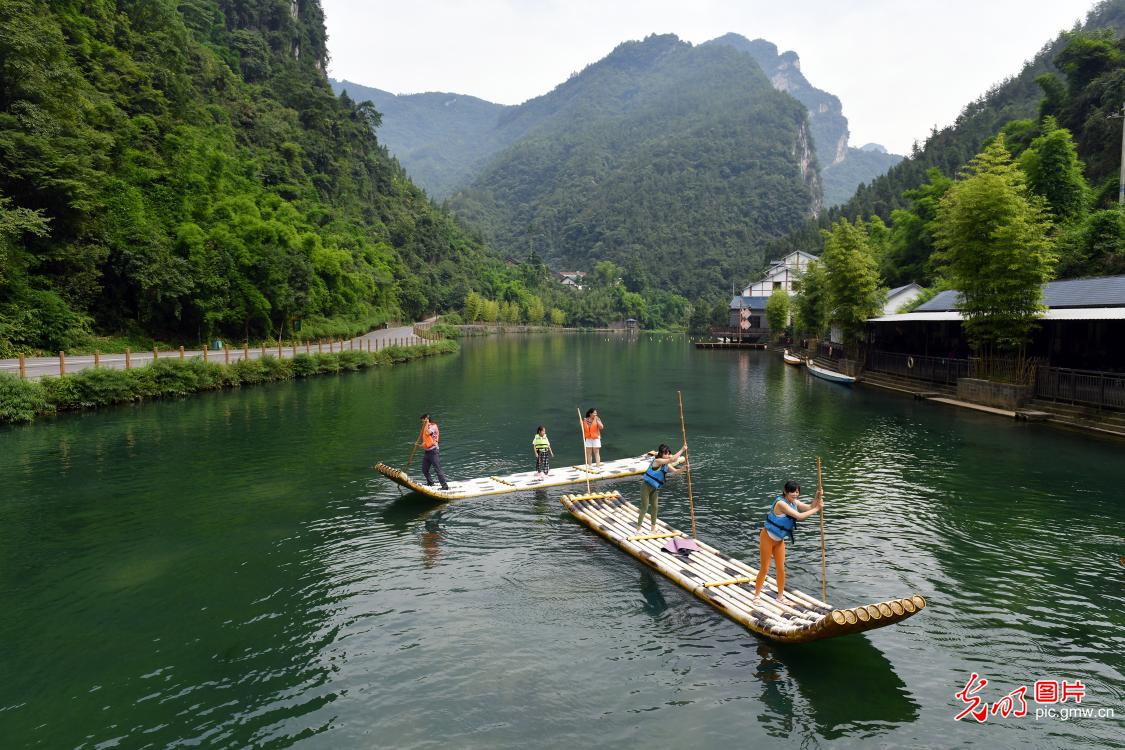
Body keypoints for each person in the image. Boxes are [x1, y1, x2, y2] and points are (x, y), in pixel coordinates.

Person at [752, 480, 823, 605]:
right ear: (785, 492)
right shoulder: (781, 504)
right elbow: (800, 516)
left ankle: (780, 596)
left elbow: (809, 507)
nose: (795, 494)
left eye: (797, 492)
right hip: (767, 538)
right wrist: (817, 508)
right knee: (765, 568)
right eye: (792, 492)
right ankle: (756, 596)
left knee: (781, 569)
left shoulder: (793, 502)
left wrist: (817, 497)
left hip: (779, 541)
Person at [637, 443, 688, 531]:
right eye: (665, 453)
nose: (667, 455)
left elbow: (675, 471)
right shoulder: (657, 461)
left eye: (668, 453)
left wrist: (683, 469)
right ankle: (638, 528)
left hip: (654, 488)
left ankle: (653, 528)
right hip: (646, 487)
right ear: (661, 454)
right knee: (645, 507)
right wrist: (682, 449)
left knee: (655, 507)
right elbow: (673, 459)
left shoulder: (666, 465)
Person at [417, 413, 449, 490]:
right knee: (424, 470)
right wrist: (419, 445)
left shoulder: (433, 426)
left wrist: (426, 424)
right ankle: (430, 482)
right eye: (422, 421)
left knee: (437, 469)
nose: (422, 423)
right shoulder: (425, 427)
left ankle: (444, 486)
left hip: (433, 451)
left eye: (423, 421)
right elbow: (427, 441)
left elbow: (428, 433)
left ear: (427, 419)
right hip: (427, 452)